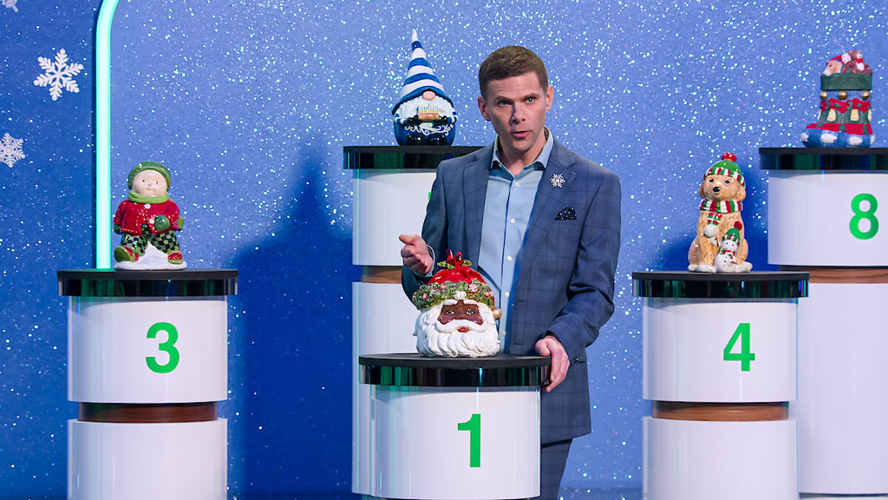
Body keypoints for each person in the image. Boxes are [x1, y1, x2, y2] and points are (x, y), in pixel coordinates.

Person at [399, 46, 621, 499]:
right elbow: (426, 286)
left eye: (530, 100)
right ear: (484, 108)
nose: (519, 115)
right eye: (504, 103)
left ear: (549, 97)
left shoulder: (594, 184)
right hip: (459, 383)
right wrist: (424, 270)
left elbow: (596, 291)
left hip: (543, 383)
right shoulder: (454, 176)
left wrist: (560, 339)